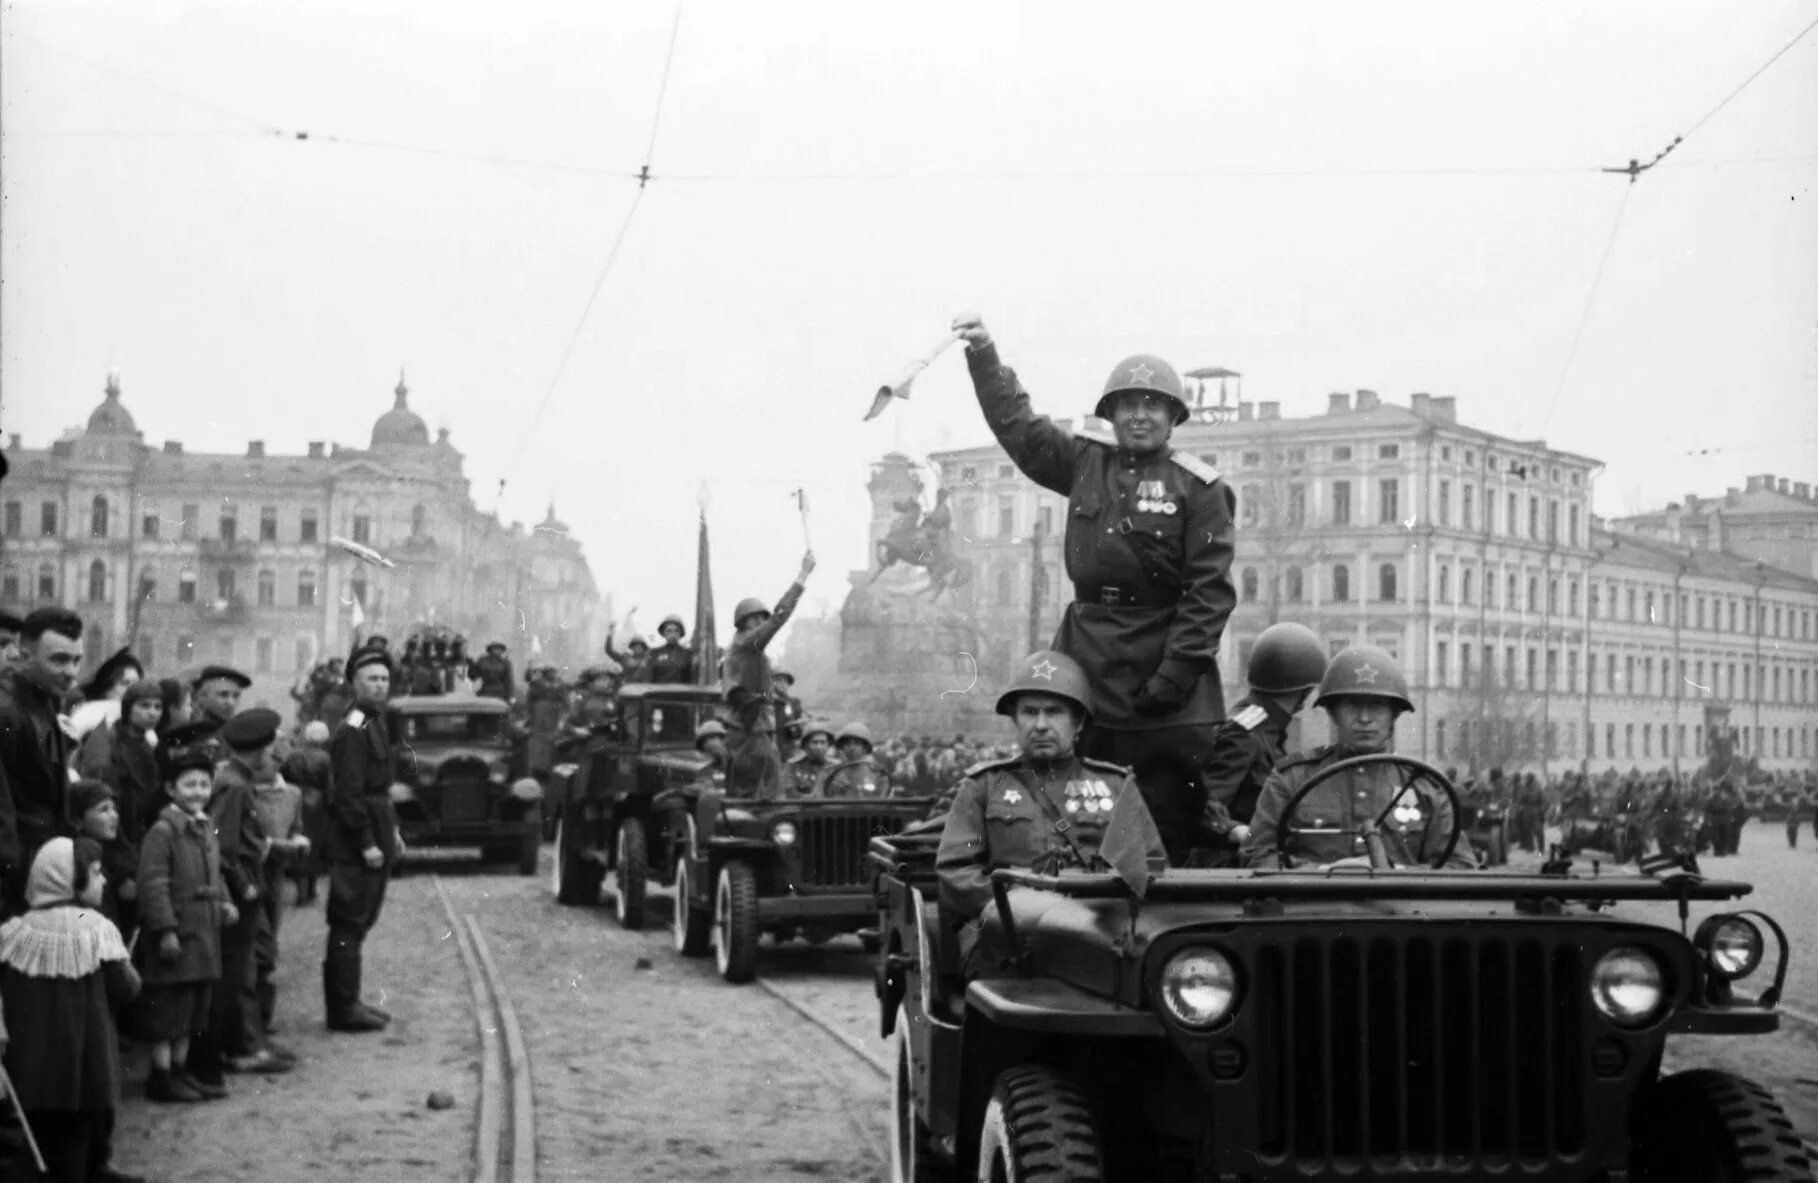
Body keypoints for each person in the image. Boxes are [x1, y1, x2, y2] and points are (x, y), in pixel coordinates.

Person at [952, 312, 1238, 863]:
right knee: (1072, 812)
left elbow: (1209, 594)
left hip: (1163, 675)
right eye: (1127, 405)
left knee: (1163, 828)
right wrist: (984, 355)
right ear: (1109, 414)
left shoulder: (1201, 488)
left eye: (1152, 405)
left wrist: (1173, 677)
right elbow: (1019, 427)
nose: (1139, 415)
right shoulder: (1085, 462)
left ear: (1173, 415)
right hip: (1085, 660)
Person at [936, 650, 1166, 978]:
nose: (1041, 725)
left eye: (1054, 712)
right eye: (1030, 712)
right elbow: (955, 871)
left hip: (1097, 932)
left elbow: (1150, 867)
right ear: (1015, 719)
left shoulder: (1114, 786)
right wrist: (1013, 906)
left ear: (1079, 722)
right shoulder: (983, 785)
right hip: (1005, 938)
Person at [1244, 646, 1475, 870]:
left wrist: (1396, 873)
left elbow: (1459, 865)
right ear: (1333, 713)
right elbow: (1256, 854)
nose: (1364, 718)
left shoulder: (1425, 785)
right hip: (1313, 906)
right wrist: (1323, 872)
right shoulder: (1292, 779)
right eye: (1352, 706)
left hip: (1401, 907)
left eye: (1377, 706)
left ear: (1394, 714)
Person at [0, 837, 144, 1182]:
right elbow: (127, 987)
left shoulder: (14, 931)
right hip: (87, 1062)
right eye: (95, 873)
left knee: (44, 1136)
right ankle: (93, 1169)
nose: (104, 881)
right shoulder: (94, 926)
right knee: (83, 1129)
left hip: (33, 1065)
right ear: (70, 880)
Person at [191, 708, 289, 1083]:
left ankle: (246, 1042)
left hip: (243, 882)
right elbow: (225, 846)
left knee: (244, 967)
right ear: (260, 749)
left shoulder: (234, 778)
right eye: (273, 743)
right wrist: (243, 886)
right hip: (240, 887)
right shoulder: (235, 785)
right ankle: (241, 1048)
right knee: (237, 972)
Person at [137, 744, 232, 1104]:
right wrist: (165, 930)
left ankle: (180, 1071)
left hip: (204, 933)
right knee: (168, 1010)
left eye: (204, 785)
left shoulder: (206, 827)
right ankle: (160, 1076)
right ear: (171, 790)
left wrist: (224, 901)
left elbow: (214, 872)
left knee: (193, 1009)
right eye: (189, 785)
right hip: (178, 935)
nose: (198, 792)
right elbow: (154, 884)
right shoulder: (163, 832)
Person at [1190, 622, 1329, 866]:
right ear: (1305, 693)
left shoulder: (1265, 729)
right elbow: (1204, 803)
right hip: (1230, 866)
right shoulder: (1243, 734)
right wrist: (1236, 830)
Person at [323, 647, 402, 1032]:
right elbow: (349, 793)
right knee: (348, 921)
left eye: (385, 679)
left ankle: (350, 1000)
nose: (380, 685)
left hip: (376, 824)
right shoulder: (353, 726)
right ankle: (342, 1008)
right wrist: (368, 841)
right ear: (355, 683)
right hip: (356, 838)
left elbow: (381, 788)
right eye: (372, 678)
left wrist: (393, 833)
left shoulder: (375, 720)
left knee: (361, 921)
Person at [0, 607, 86, 915]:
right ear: (25, 656)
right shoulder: (8, 711)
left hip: (40, 866)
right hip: (17, 876)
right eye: (59, 660)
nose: (72, 672)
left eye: (77, 660)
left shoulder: (43, 701)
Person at [722, 551, 817, 799]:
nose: (763, 624)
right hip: (752, 725)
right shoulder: (748, 644)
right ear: (745, 621)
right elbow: (779, 616)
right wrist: (803, 575)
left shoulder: (739, 651)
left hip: (742, 725)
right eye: (758, 619)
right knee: (771, 781)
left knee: (747, 785)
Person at [250, 743, 307, 1038]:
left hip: (276, 875)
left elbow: (295, 826)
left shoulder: (292, 794)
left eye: (273, 760)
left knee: (270, 932)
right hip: (251, 872)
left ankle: (262, 1015)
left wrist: (298, 839)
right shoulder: (245, 793)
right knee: (257, 945)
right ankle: (257, 1017)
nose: (266, 766)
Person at [68, 647, 144, 743]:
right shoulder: (87, 714)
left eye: (136, 684)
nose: (133, 690)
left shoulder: (141, 719)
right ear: (106, 689)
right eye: (125, 683)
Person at [823, 722, 890, 798]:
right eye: (848, 744)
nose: (852, 748)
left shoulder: (876, 772)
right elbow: (827, 796)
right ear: (842, 747)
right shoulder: (834, 772)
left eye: (856, 744)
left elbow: (883, 796)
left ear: (865, 747)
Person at [786, 720, 837, 796]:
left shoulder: (836, 767)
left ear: (828, 745)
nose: (819, 747)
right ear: (805, 745)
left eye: (823, 742)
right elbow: (787, 792)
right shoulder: (793, 766)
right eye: (814, 742)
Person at [646, 616, 695, 684]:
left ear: (680, 633)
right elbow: (648, 679)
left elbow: (693, 678)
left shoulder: (688, 654)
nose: (673, 634)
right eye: (669, 631)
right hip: (658, 692)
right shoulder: (654, 653)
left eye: (676, 631)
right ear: (663, 633)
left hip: (682, 693)